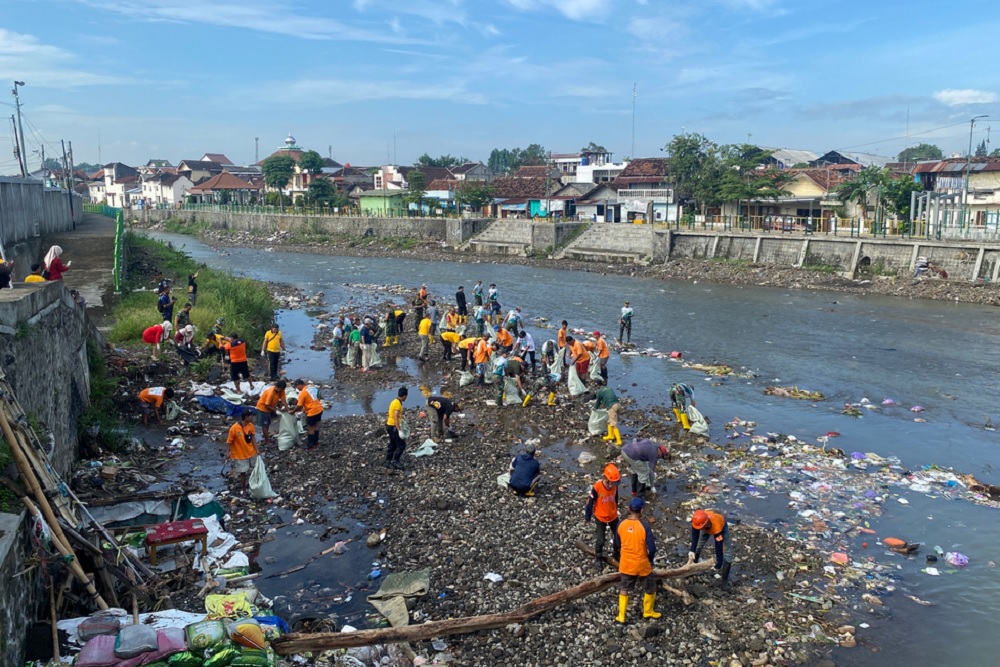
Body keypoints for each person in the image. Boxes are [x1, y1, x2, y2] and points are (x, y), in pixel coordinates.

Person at [613, 497, 660, 622]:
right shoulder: (644, 526)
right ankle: (648, 612)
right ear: (642, 510)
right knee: (650, 588)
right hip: (641, 563)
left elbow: (616, 544)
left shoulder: (621, 524)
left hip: (626, 563)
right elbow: (652, 548)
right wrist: (650, 560)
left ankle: (621, 616)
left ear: (629, 509)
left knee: (624, 588)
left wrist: (619, 557)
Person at [585, 464, 622, 572]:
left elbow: (615, 497)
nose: (613, 485)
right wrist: (587, 516)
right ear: (606, 478)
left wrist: (615, 507)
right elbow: (590, 503)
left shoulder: (615, 486)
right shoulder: (597, 487)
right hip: (600, 517)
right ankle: (598, 558)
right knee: (601, 540)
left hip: (613, 515)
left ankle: (616, 554)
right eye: (612, 482)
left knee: (618, 537)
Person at [689, 509, 734, 587]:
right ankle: (693, 568)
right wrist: (692, 550)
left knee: (727, 552)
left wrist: (719, 563)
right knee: (698, 547)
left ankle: (724, 581)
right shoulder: (697, 521)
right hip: (705, 527)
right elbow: (695, 535)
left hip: (721, 527)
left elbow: (718, 545)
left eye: (701, 527)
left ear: (706, 523)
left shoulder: (716, 526)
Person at [225, 409, 258, 495]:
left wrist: (257, 450)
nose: (252, 417)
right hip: (240, 455)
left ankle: (255, 486)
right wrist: (228, 453)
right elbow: (229, 442)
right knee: (243, 473)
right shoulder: (234, 428)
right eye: (251, 416)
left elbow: (253, 438)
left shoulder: (251, 426)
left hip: (251, 452)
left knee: (255, 469)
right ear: (246, 417)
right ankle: (244, 490)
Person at [291, 379, 323, 450]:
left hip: (312, 412)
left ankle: (310, 445)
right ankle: (316, 443)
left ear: (299, 385)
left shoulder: (302, 393)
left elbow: (299, 406)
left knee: (310, 428)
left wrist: (293, 411)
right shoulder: (309, 388)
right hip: (319, 409)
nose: (297, 389)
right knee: (316, 425)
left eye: (297, 387)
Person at [255, 380, 288, 447]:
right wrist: (276, 410)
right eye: (281, 389)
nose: (282, 391)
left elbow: (283, 401)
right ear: (278, 387)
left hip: (269, 408)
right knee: (265, 425)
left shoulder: (281, 390)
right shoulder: (271, 393)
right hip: (262, 408)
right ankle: (267, 442)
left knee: (268, 423)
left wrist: (288, 411)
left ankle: (266, 439)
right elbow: (267, 405)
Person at [592, 377, 621, 445]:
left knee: (613, 424)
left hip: (612, 406)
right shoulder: (608, 388)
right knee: (609, 421)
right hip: (618, 405)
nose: (596, 387)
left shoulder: (600, 391)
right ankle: (611, 435)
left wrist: (595, 408)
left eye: (596, 386)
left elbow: (598, 401)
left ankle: (619, 440)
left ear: (598, 385)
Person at [385, 387, 408, 469]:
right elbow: (395, 418)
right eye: (406, 396)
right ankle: (396, 461)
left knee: (393, 444)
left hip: (389, 425)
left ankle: (388, 461)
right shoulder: (397, 404)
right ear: (404, 396)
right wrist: (399, 430)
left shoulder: (394, 401)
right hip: (393, 427)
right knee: (401, 445)